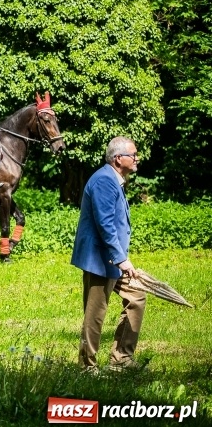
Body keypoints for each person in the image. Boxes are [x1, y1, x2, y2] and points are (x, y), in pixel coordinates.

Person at [71, 136, 146, 372]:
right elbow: (105, 224)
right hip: (100, 259)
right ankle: (87, 367)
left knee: (137, 297)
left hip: (112, 259)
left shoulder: (115, 179)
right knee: (95, 315)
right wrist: (121, 259)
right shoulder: (104, 180)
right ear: (117, 159)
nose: (137, 158)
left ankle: (121, 358)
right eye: (133, 155)